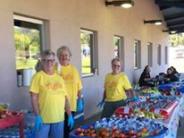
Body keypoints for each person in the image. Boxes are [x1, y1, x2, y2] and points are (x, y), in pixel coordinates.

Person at [30, 50, 74, 138]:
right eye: (46, 60)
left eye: (51, 60)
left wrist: (69, 115)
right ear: (42, 62)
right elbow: (33, 98)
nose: (49, 63)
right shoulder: (38, 77)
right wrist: (37, 116)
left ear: (54, 62)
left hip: (59, 118)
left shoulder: (59, 78)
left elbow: (65, 98)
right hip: (43, 119)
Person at [57, 46, 83, 138]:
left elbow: (79, 86)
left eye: (66, 55)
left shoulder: (74, 69)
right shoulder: (56, 69)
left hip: (71, 104)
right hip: (59, 105)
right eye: (61, 55)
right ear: (58, 57)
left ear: (69, 56)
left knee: (68, 129)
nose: (64, 57)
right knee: (61, 130)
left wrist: (80, 100)